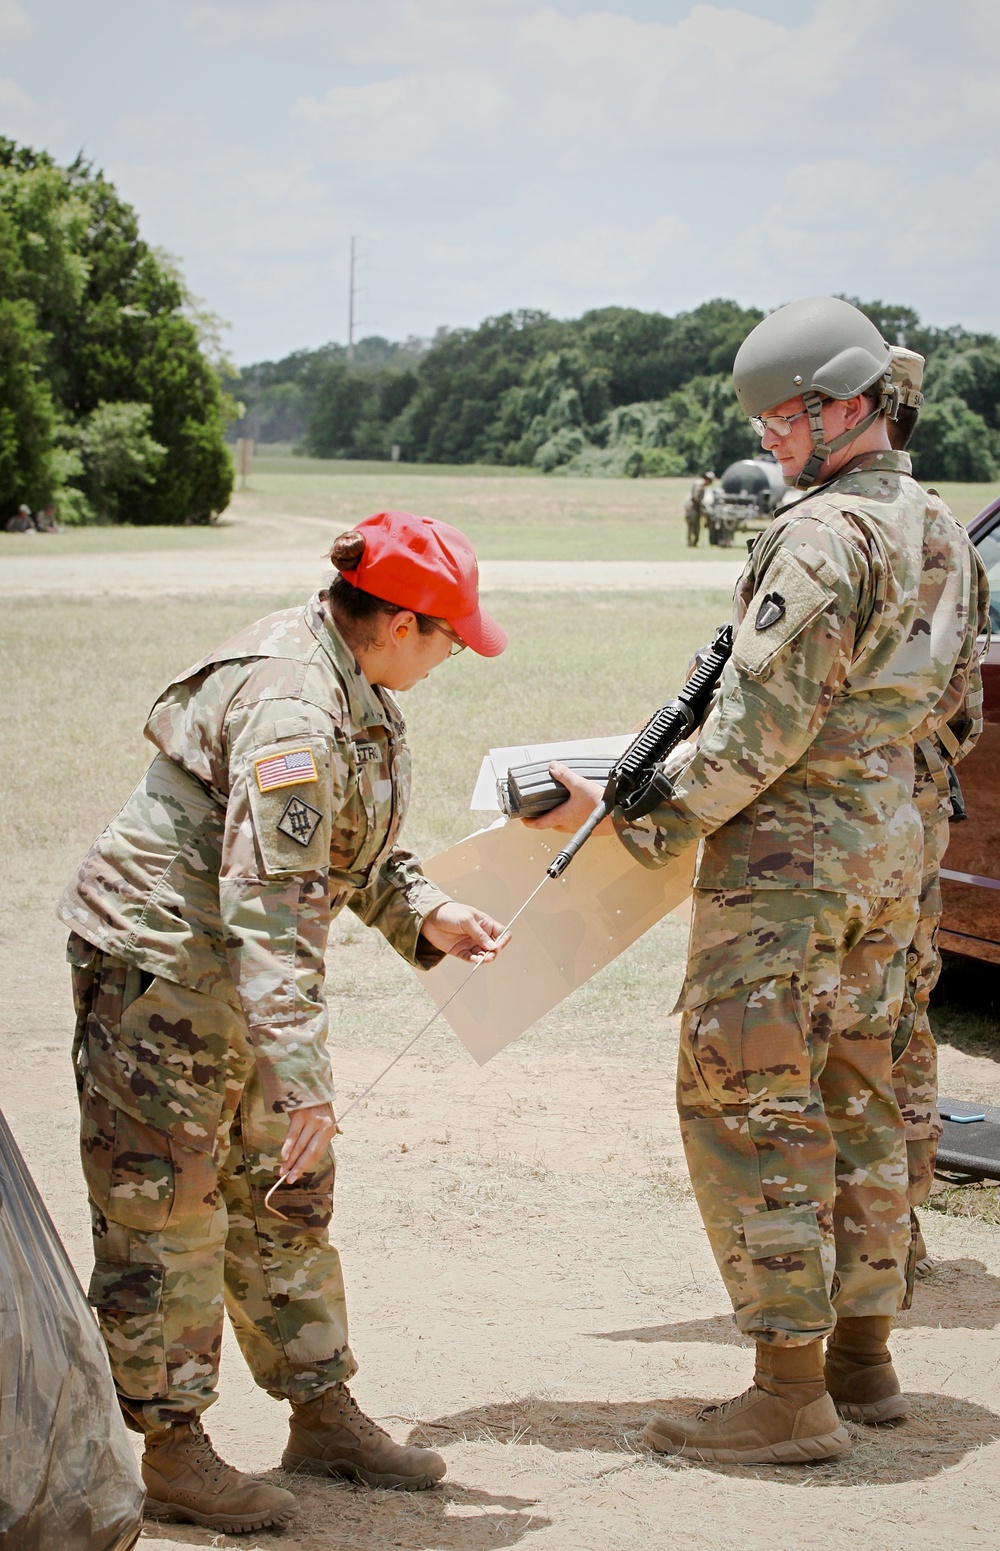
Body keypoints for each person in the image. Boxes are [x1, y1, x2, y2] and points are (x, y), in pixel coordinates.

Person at [526, 297, 983, 1463]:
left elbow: (750, 738)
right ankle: (861, 1359)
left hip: (790, 867)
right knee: (860, 1090)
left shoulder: (822, 535)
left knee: (751, 1100)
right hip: (890, 847)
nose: (768, 442)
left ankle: (787, 1395)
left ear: (839, 407)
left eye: (780, 421)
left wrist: (639, 828)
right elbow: (958, 715)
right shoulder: (937, 524)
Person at [59, 510, 510, 1533]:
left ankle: (319, 1409)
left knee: (285, 1186)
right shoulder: (295, 711)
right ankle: (172, 1448)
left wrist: (423, 908)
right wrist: (304, 1079)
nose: (453, 653)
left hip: (238, 962)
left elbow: (339, 850)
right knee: (167, 1207)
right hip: (163, 968)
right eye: (447, 635)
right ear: (398, 622)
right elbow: (268, 902)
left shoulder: (355, 679)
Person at [882, 348, 990, 1276]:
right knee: (909, 1011)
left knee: (848, 1021)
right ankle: (901, 1228)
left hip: (850, 815)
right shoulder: (953, 535)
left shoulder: (856, 528)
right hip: (919, 809)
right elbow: (966, 710)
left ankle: (867, 1238)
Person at [685, 470, 715, 547]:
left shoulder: (701, 484)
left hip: (695, 508)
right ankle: (690, 542)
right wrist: (702, 507)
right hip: (692, 508)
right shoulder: (699, 484)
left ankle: (694, 542)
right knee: (692, 526)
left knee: (696, 526)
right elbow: (696, 498)